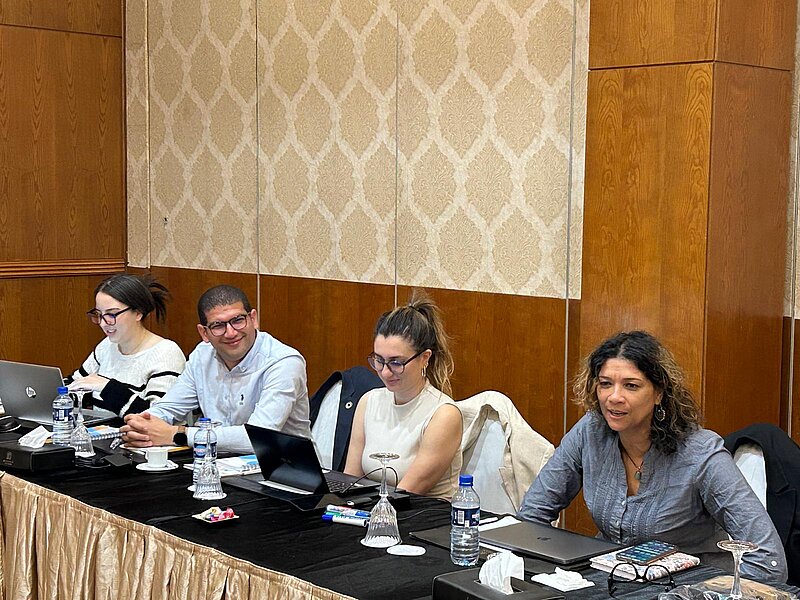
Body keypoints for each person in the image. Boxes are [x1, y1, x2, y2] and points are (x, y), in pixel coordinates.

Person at [517, 331, 788, 583]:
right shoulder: (590, 431)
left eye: (631, 386)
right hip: (608, 583)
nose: (614, 397)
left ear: (659, 393)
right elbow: (532, 515)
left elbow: (769, 561)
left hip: (685, 589)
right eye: (605, 384)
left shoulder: (700, 452)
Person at [121, 285, 310, 454]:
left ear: (253, 319)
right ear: (204, 333)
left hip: (284, 470)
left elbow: (258, 437)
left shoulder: (283, 362)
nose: (231, 333)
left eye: (238, 320)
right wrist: (142, 426)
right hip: (216, 463)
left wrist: (178, 434)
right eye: (218, 325)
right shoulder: (202, 355)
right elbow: (169, 407)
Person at [344, 290, 462, 499]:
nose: (385, 372)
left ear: (424, 358)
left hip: (422, 513)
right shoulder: (368, 401)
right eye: (379, 360)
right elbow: (350, 481)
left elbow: (407, 493)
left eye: (396, 362)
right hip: (374, 507)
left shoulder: (444, 415)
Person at [66, 273, 186, 418]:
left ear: (138, 313)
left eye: (112, 314)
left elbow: (156, 418)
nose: (103, 323)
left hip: (142, 433)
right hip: (104, 430)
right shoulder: (107, 346)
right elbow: (76, 384)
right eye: (99, 314)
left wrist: (106, 387)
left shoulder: (166, 353)